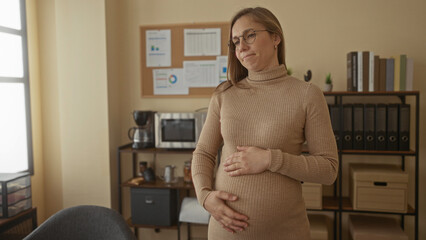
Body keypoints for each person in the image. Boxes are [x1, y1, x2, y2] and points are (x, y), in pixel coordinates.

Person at [191, 7, 338, 240]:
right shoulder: (224, 95)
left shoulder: (307, 94)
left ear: (275, 37)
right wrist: (205, 197)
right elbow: (204, 153)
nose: (241, 47)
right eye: (235, 41)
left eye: (249, 36)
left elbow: (329, 169)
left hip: (286, 232)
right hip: (225, 234)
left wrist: (271, 159)